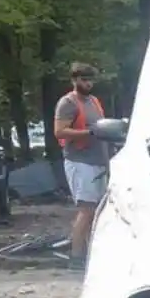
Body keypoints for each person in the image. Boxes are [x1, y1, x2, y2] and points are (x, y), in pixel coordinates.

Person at [53, 62, 110, 266]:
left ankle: (91, 254)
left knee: (97, 210)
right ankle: (76, 257)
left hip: (99, 161)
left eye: (90, 80)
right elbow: (59, 132)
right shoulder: (67, 103)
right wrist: (90, 133)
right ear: (75, 80)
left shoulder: (94, 101)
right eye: (84, 80)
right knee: (86, 209)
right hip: (79, 161)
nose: (88, 84)